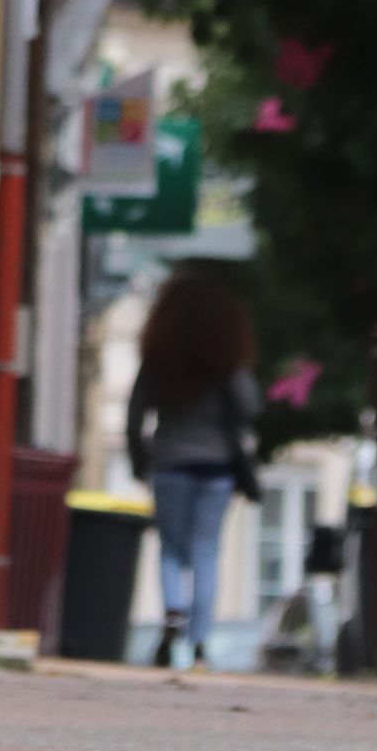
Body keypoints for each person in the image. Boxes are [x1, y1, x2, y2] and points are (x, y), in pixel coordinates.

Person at [126, 270, 263, 670]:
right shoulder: (225, 364)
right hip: (216, 466)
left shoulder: (157, 361)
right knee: (207, 550)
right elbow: (249, 407)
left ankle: (172, 611)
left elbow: (135, 417)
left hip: (169, 464)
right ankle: (201, 641)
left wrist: (140, 463)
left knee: (171, 548)